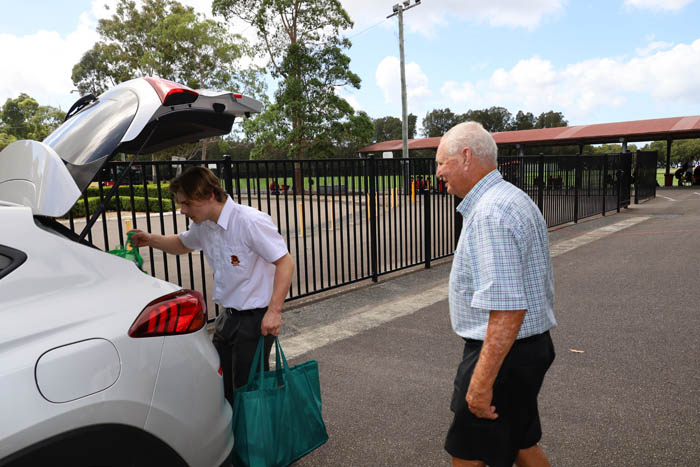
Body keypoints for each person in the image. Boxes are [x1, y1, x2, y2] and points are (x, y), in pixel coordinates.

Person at [435, 122, 557, 467]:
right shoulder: (511, 198)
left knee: (467, 455)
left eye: (442, 163)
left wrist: (481, 381)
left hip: (504, 355)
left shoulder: (490, 212)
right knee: (522, 443)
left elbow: (507, 308)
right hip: (525, 349)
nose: (439, 172)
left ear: (466, 157)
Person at [130, 166, 294, 405]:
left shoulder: (249, 221)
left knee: (249, 391)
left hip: (255, 320)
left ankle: (255, 430)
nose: (182, 210)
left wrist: (274, 312)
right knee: (220, 385)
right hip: (228, 318)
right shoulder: (204, 225)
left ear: (209, 195)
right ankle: (233, 428)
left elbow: (285, 262)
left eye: (187, 203)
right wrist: (150, 239)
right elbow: (182, 244)